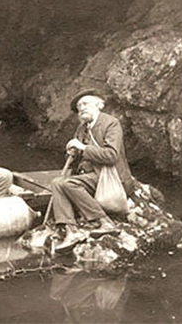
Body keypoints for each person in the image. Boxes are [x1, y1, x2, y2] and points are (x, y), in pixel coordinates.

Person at [49, 88, 136, 251]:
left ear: (99, 105)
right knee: (57, 182)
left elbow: (111, 155)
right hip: (90, 178)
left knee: (69, 184)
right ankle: (71, 230)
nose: (81, 108)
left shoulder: (111, 123)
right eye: (79, 107)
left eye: (85, 104)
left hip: (111, 178)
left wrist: (82, 147)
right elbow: (78, 159)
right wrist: (72, 153)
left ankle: (104, 222)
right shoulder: (82, 129)